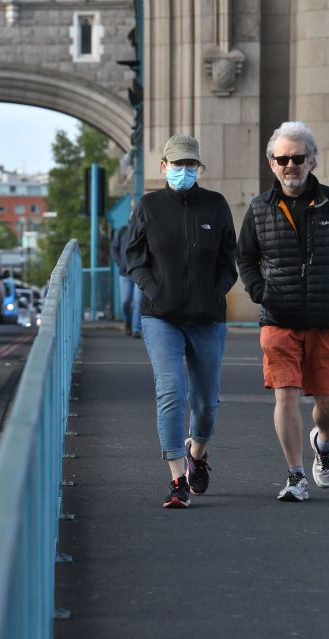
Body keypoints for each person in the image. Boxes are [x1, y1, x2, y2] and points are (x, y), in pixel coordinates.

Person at [236, 121, 329, 502]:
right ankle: (295, 475)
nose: (289, 165)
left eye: (297, 158)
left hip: (327, 319)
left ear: (312, 160)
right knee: (286, 396)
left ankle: (323, 444)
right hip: (279, 319)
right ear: (271, 164)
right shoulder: (260, 209)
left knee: (328, 403)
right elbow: (246, 257)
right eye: (281, 159)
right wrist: (261, 292)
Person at [125, 134, 238, 508]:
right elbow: (134, 258)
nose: (184, 171)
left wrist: (216, 291)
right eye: (178, 165)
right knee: (171, 391)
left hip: (207, 317)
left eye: (191, 165)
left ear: (199, 168)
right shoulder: (148, 206)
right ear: (164, 167)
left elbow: (228, 261)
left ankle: (197, 453)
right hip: (161, 317)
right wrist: (154, 290)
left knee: (206, 401)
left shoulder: (216, 206)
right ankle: (177, 479)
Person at [110, 224, 142, 337]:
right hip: (124, 273)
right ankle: (128, 321)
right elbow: (114, 248)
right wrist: (119, 262)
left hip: (140, 273)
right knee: (125, 302)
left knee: (138, 301)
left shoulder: (144, 229)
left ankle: (136, 329)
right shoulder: (122, 231)